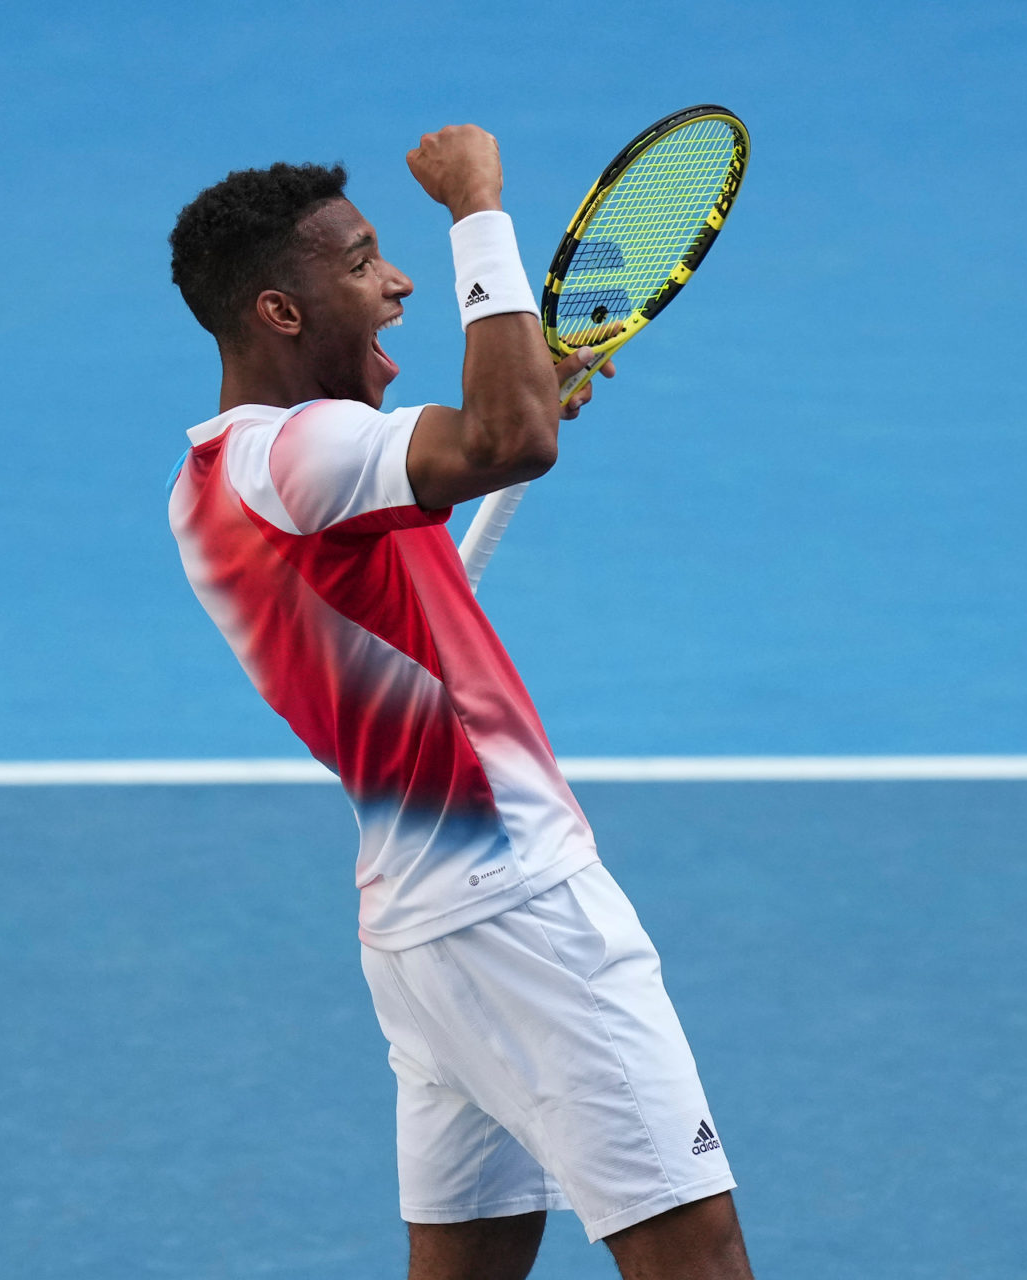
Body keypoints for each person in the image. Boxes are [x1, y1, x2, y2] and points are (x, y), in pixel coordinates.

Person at [166, 124, 755, 1280]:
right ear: (280, 312)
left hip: (420, 937)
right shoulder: (307, 457)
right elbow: (507, 437)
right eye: (362, 263)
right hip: (523, 910)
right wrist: (476, 207)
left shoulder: (215, 480)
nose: (396, 284)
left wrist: (520, 393)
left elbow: (475, 451)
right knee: (698, 1257)